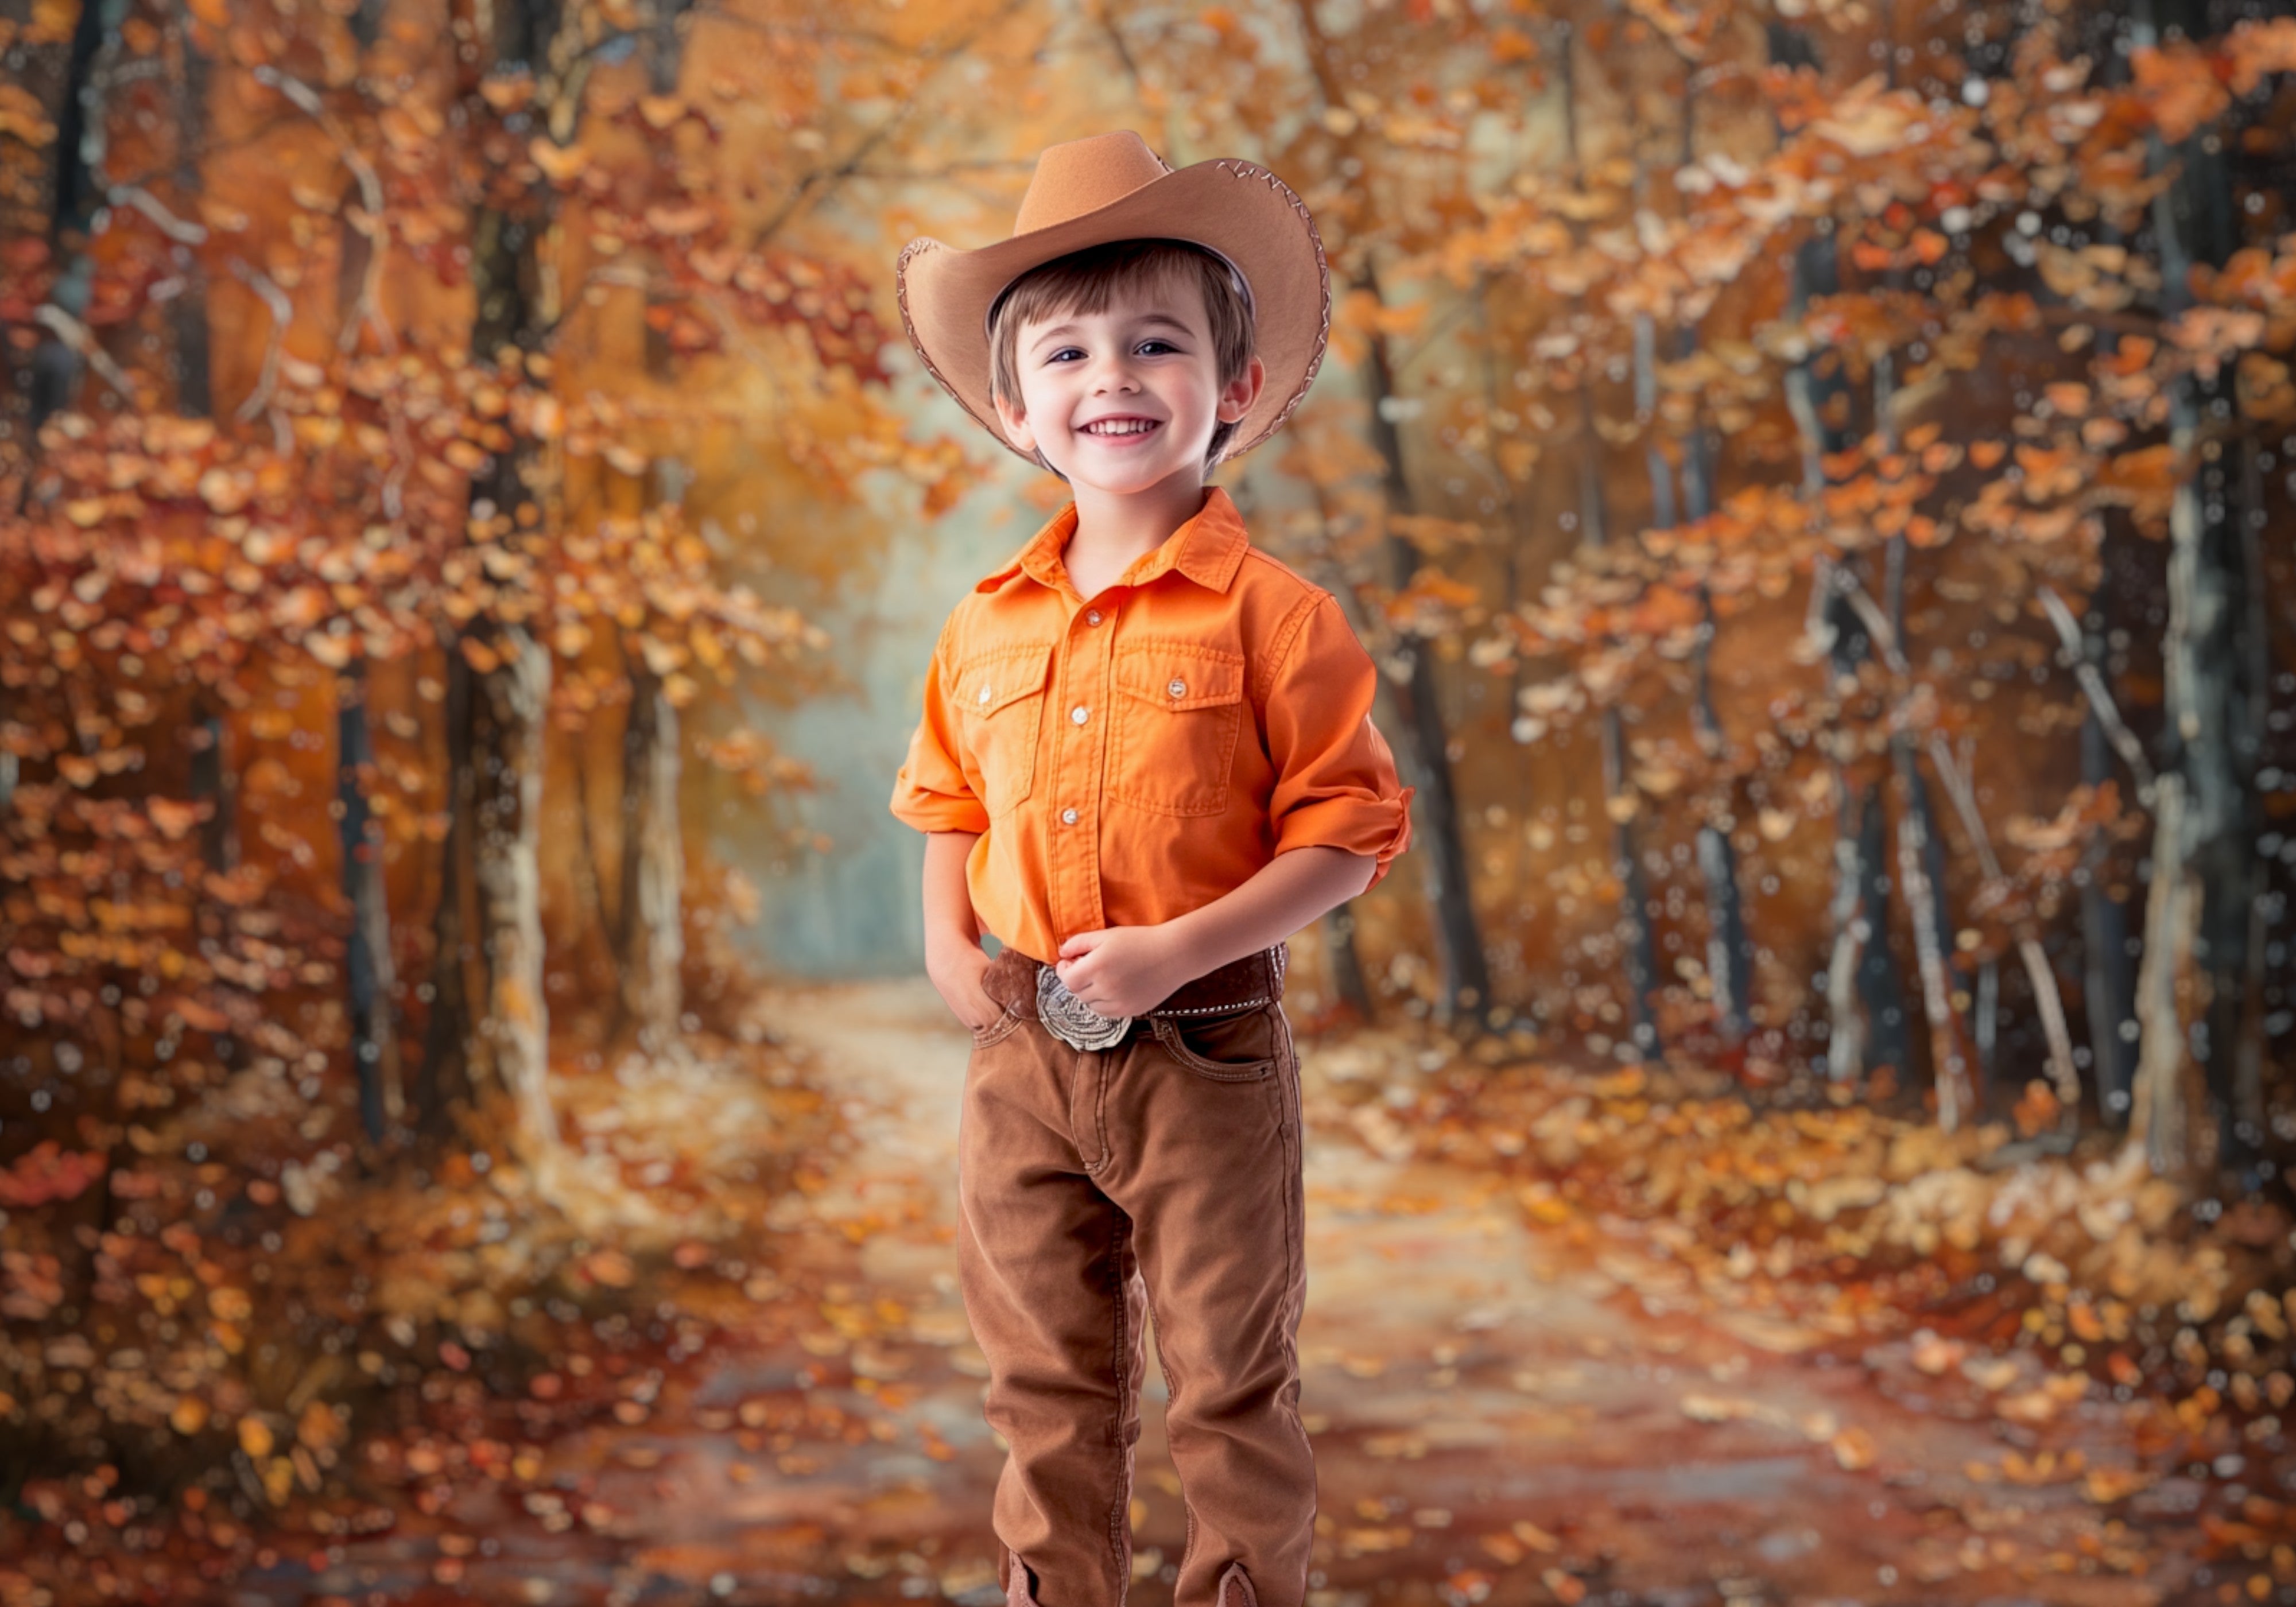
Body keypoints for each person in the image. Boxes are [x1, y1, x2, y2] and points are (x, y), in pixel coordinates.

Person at [887, 130, 1414, 1607]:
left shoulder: (1276, 616)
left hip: (1206, 1046)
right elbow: (942, 800)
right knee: (1041, 1379)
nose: (1109, 378)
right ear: (1014, 408)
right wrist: (948, 954)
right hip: (1020, 1059)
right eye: (1066, 353)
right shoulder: (981, 623)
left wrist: (1178, 948)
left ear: (1232, 389)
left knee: (1227, 1375)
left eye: (1155, 344)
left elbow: (1349, 832)